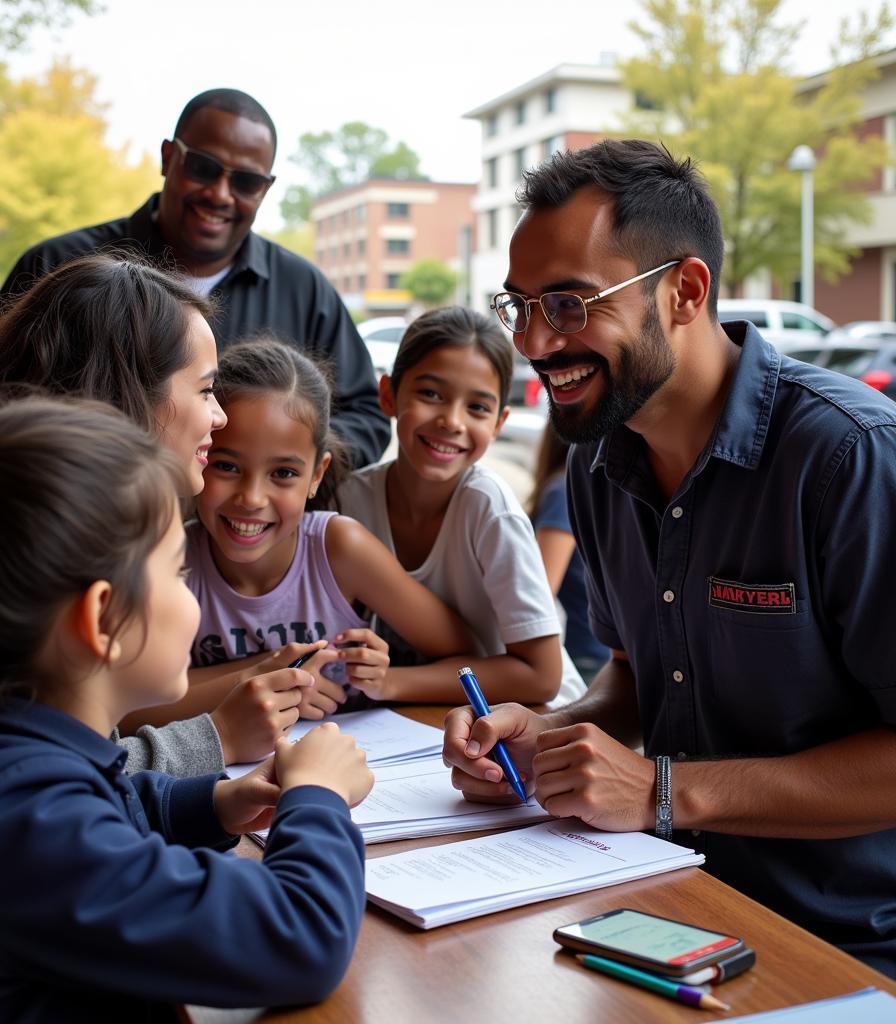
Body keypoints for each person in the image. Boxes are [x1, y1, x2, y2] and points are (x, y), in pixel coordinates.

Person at [443, 139, 896, 976]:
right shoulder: (594, 463)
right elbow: (634, 680)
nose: (536, 343)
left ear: (684, 291)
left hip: (845, 943)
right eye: (521, 307)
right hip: (654, 905)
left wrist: (662, 792)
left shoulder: (848, 459)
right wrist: (544, 738)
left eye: (572, 305)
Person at [0, 397, 373, 1020]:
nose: (192, 598)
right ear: (104, 618)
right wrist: (319, 798)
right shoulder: (20, 824)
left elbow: (109, 808)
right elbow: (300, 941)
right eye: (176, 570)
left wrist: (216, 803)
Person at [0, 253, 326, 776]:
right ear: (134, 395)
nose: (220, 416)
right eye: (206, 390)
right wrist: (219, 740)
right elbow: (41, 776)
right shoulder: (5, 554)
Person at [0, 87, 389, 468]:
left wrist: (272, 465)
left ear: (266, 189)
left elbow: (365, 417)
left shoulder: (305, 291)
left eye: (246, 181)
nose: (220, 193)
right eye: (203, 167)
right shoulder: (58, 267)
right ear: (168, 158)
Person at [123, 339, 476, 736]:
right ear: (201, 454)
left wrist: (390, 678)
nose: (252, 498)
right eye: (227, 466)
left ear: (317, 475)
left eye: (283, 474)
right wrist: (265, 678)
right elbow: (123, 709)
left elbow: (469, 656)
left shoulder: (339, 549)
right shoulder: (171, 561)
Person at [339, 306, 565, 705]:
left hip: (531, 721)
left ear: (498, 423)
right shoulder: (349, 500)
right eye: (430, 394)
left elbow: (542, 677)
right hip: (416, 720)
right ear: (389, 395)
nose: (452, 421)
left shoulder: (489, 510)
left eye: (477, 407)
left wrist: (392, 683)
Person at [526, 421, 609, 684]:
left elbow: (539, 591)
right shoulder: (575, 488)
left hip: (587, 657)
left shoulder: (562, 491)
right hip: (596, 652)